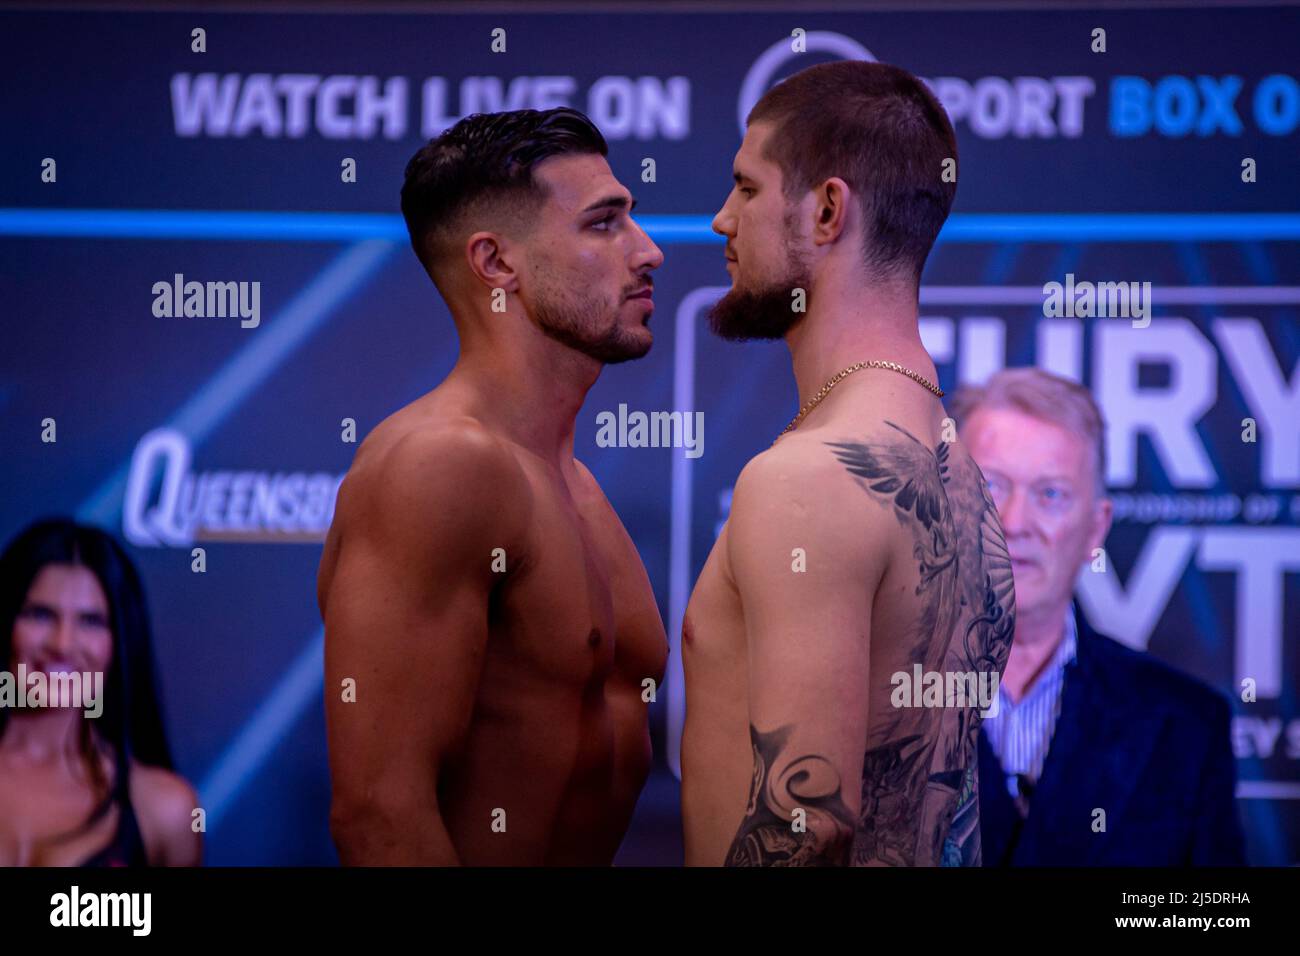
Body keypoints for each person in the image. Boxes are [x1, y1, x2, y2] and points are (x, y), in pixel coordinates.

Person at [681, 61, 1015, 867]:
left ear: (828, 209)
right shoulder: (957, 472)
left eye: (747, 188)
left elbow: (809, 824)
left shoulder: (808, 476)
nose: (721, 220)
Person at [319, 107, 668, 865]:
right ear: (497, 264)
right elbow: (378, 812)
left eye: (631, 220)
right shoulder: (437, 463)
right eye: (604, 224)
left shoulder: (570, 482)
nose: (650, 252)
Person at [949, 367, 1246, 865]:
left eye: (1051, 494)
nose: (1015, 523)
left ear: (1095, 528)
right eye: (991, 485)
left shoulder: (1186, 727)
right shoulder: (871, 704)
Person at [0, 518, 201, 867]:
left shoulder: (165, 808)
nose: (62, 644)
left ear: (120, 641)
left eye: (91, 621)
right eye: (40, 615)